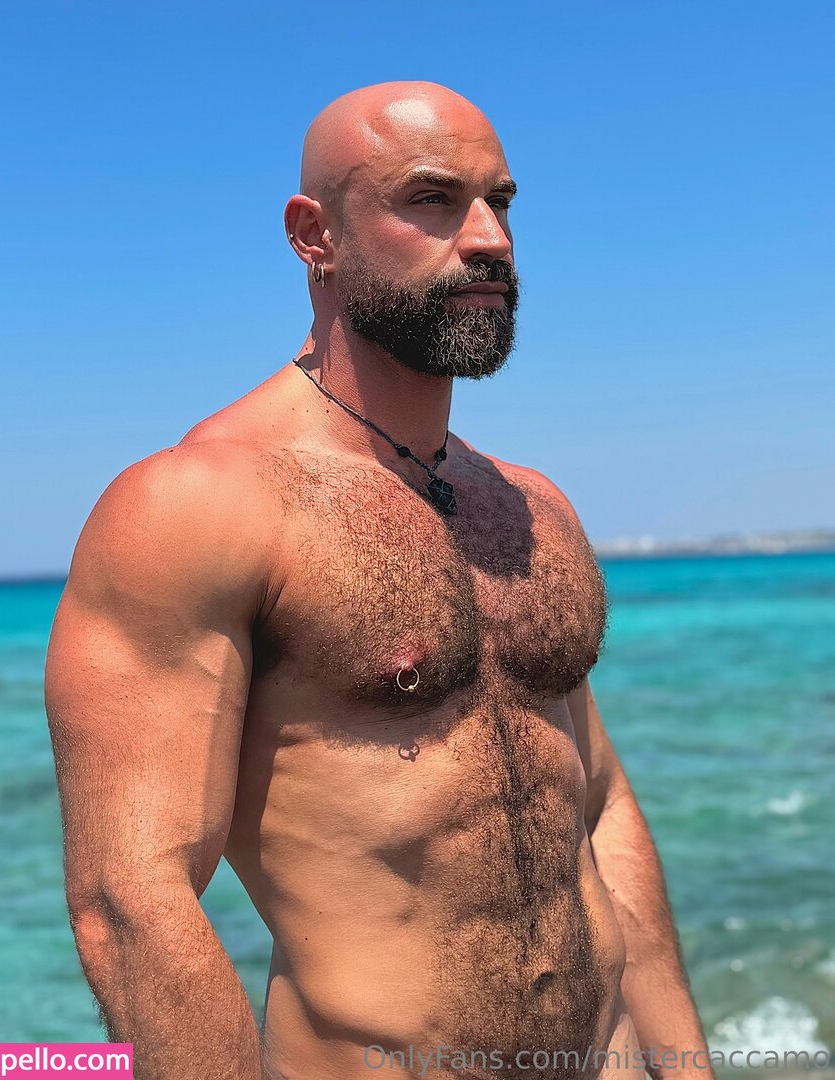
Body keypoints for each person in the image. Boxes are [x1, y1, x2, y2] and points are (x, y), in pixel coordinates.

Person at [45, 81, 713, 1080]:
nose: (489, 240)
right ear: (314, 235)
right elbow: (131, 899)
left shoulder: (531, 508)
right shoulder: (200, 505)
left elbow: (600, 804)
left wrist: (687, 1066)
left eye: (500, 203)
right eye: (433, 200)